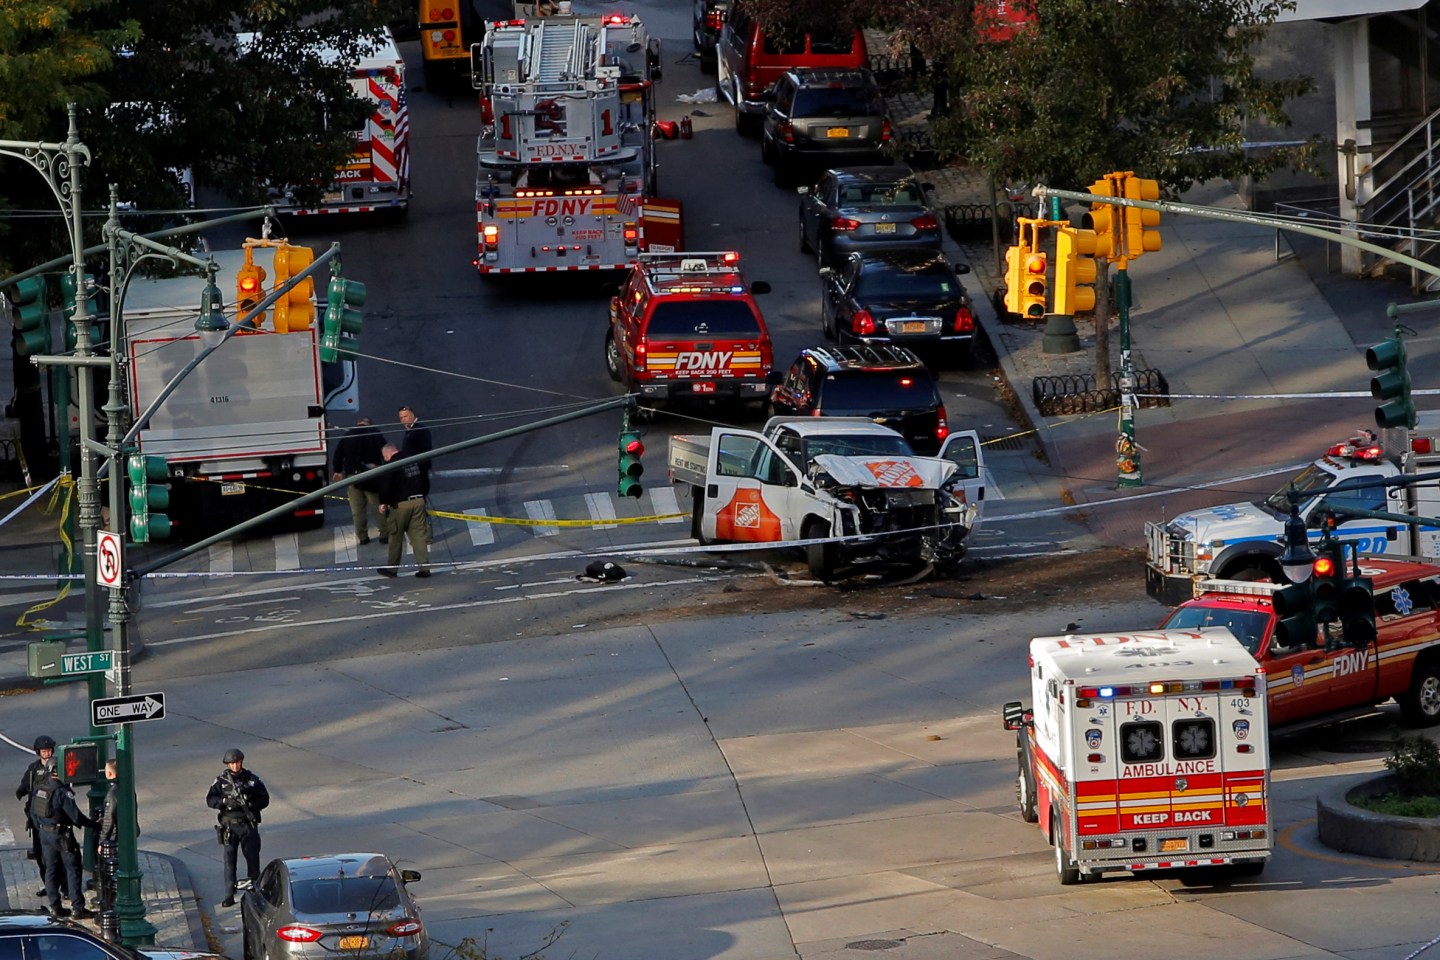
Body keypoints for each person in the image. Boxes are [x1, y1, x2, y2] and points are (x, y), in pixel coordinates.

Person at [30, 760, 100, 919]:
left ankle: (55, 907)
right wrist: (94, 825)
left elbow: (33, 813)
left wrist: (42, 829)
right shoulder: (62, 791)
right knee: (73, 868)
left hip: (44, 834)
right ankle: (77, 908)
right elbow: (75, 816)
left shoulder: (39, 789)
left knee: (51, 870)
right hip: (62, 836)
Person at [206, 748, 270, 908]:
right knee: (229, 861)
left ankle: (255, 890)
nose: (234, 766)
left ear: (241, 762)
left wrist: (251, 804)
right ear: (228, 764)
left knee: (253, 860)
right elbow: (210, 799)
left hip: (247, 825)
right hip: (229, 827)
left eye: (237, 762)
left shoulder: (251, 780)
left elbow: (264, 798)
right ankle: (229, 894)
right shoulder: (221, 781)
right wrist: (224, 802)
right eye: (231, 763)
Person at [376, 443, 431, 578]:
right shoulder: (413, 460)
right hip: (419, 501)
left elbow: (386, 486)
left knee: (395, 536)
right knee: (418, 536)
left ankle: (392, 569)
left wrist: (383, 501)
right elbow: (425, 479)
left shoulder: (391, 465)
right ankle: (424, 568)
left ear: (388, 454)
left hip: (400, 505)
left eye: (385, 457)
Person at [333, 416, 387, 544]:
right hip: (371, 475)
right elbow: (384, 451)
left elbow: (338, 455)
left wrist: (338, 470)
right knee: (377, 506)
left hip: (352, 477)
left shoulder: (348, 435)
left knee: (357, 510)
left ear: (358, 423)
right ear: (369, 423)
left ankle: (362, 537)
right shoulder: (374, 432)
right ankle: (384, 534)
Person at [16, 735, 56, 898]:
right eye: (43, 751)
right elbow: (25, 785)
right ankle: (49, 886)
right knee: (41, 857)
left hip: (53, 818)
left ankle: (64, 888)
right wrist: (20, 791)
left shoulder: (57, 767)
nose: (46, 753)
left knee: (57, 858)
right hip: (36, 819)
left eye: (48, 750)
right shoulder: (33, 769)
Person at [397, 405, 434, 543]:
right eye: (401, 418)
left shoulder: (419, 431)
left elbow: (423, 455)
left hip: (418, 474)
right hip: (415, 473)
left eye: (405, 416)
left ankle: (426, 535)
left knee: (420, 504)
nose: (403, 420)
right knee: (420, 505)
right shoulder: (412, 431)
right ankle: (424, 534)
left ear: (413, 414)